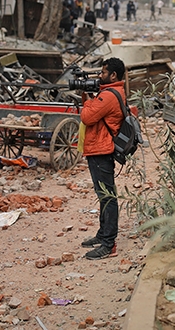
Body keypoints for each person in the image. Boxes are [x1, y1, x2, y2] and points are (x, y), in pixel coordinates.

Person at [79, 57, 127, 260]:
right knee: (103, 195)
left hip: (101, 149)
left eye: (103, 72)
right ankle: (102, 235)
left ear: (113, 75)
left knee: (107, 196)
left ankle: (108, 244)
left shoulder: (108, 96)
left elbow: (87, 117)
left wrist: (89, 101)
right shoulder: (111, 93)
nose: (100, 76)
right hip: (98, 148)